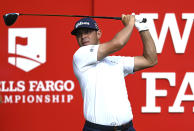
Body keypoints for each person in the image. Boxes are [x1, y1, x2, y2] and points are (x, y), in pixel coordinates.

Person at [71, 14, 157, 131]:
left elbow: (150, 60)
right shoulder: (80, 56)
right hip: (96, 129)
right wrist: (130, 23)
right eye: (79, 34)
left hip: (127, 128)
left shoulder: (115, 61)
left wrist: (143, 28)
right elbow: (118, 43)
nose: (83, 36)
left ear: (99, 34)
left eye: (87, 32)